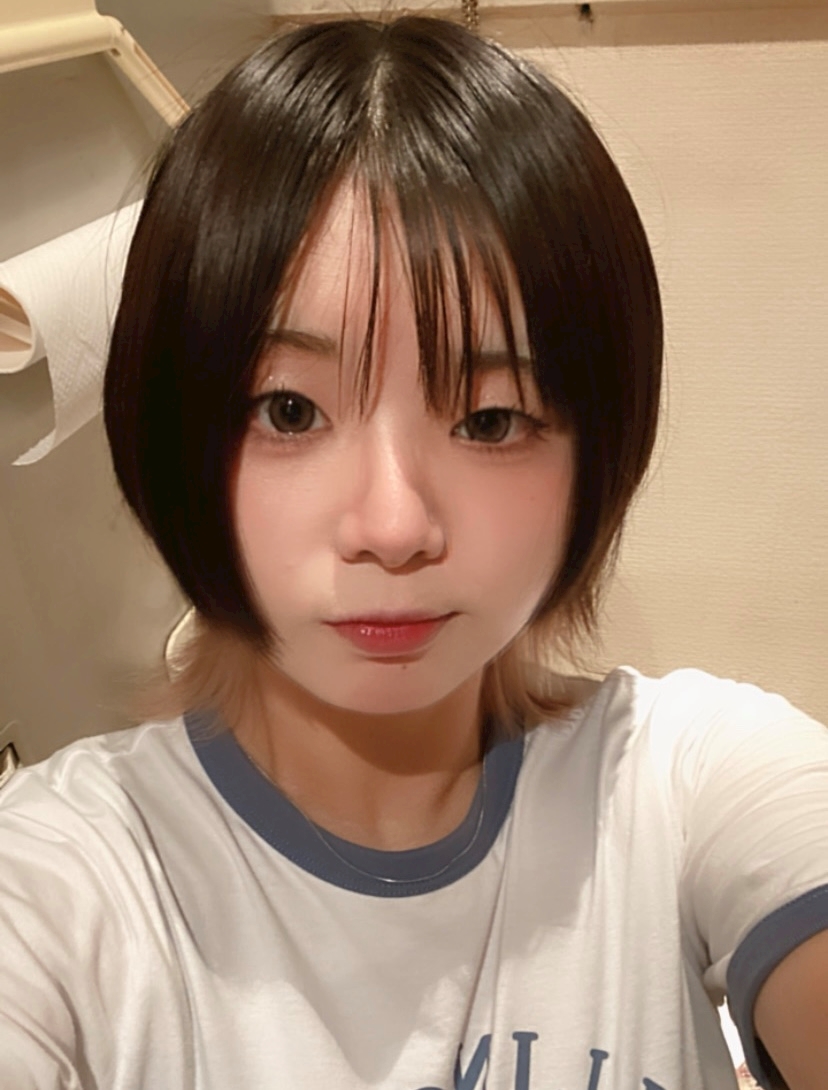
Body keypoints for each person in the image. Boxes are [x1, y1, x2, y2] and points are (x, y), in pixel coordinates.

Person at [0, 16, 826, 1090]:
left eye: (490, 419)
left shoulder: (689, 782)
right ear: (174, 426)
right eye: (289, 410)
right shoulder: (62, 883)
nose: (393, 528)